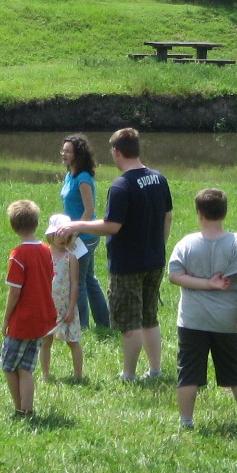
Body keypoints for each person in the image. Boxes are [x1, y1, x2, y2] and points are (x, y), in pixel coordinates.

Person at [65, 128, 172, 383]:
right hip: (155, 259)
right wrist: (159, 245)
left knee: (129, 323)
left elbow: (112, 225)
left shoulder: (121, 185)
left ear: (116, 152)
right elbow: (168, 216)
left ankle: (129, 374)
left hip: (127, 264)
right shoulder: (159, 178)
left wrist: (77, 226)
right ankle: (155, 370)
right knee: (149, 317)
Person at [168, 189, 237, 430]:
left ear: (199, 214)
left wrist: (206, 284)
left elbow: (174, 276)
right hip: (226, 319)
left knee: (188, 371)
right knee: (236, 369)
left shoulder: (187, 242)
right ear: (224, 213)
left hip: (192, 319)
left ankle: (186, 421)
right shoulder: (236, 242)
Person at [0, 200, 55, 417]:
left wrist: (6, 319)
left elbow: (14, 292)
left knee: (8, 365)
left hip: (23, 320)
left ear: (13, 226)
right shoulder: (46, 250)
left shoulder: (18, 255)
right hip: (43, 318)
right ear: (36, 223)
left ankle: (18, 407)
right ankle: (28, 408)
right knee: (26, 367)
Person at [59, 135, 111, 331]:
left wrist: (75, 232)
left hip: (85, 236)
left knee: (78, 281)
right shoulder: (70, 175)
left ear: (78, 155)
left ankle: (82, 326)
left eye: (68, 151)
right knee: (89, 278)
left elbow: (89, 209)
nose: (64, 154)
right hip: (75, 232)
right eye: (63, 150)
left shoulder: (83, 179)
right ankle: (104, 322)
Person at [41, 214, 88, 382]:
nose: (62, 239)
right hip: (47, 306)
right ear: (50, 235)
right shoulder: (43, 254)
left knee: (73, 341)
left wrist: (71, 308)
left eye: (66, 235)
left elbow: (75, 284)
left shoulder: (71, 257)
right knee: (46, 342)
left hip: (65, 306)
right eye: (58, 235)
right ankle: (45, 374)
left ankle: (78, 375)